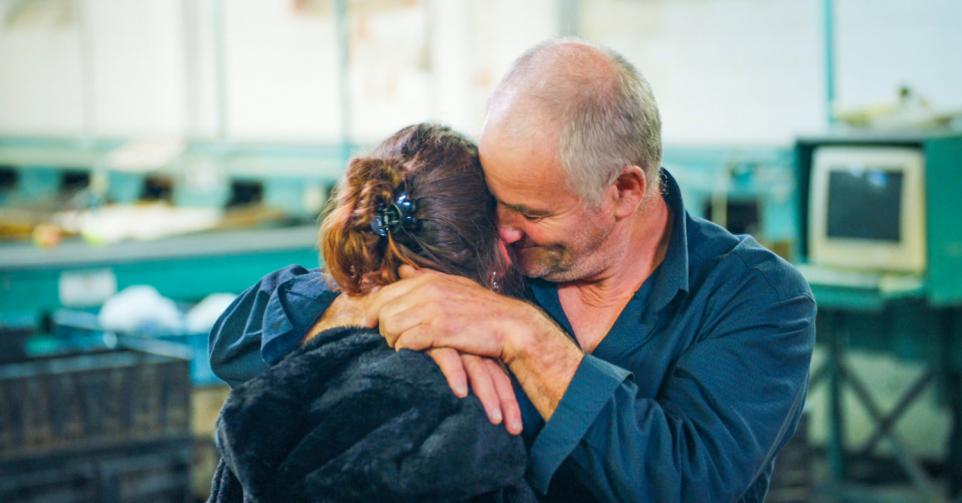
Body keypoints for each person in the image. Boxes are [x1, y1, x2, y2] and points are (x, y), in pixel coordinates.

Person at [210, 39, 816, 502]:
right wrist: (369, 303)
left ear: (626, 189)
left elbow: (689, 482)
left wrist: (524, 336)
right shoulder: (490, 264)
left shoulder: (757, 298)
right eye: (498, 201)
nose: (503, 230)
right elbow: (237, 345)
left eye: (532, 211)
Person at [208, 123, 536, 502]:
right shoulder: (478, 407)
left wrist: (357, 300)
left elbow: (228, 346)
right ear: (495, 250)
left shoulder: (295, 341)